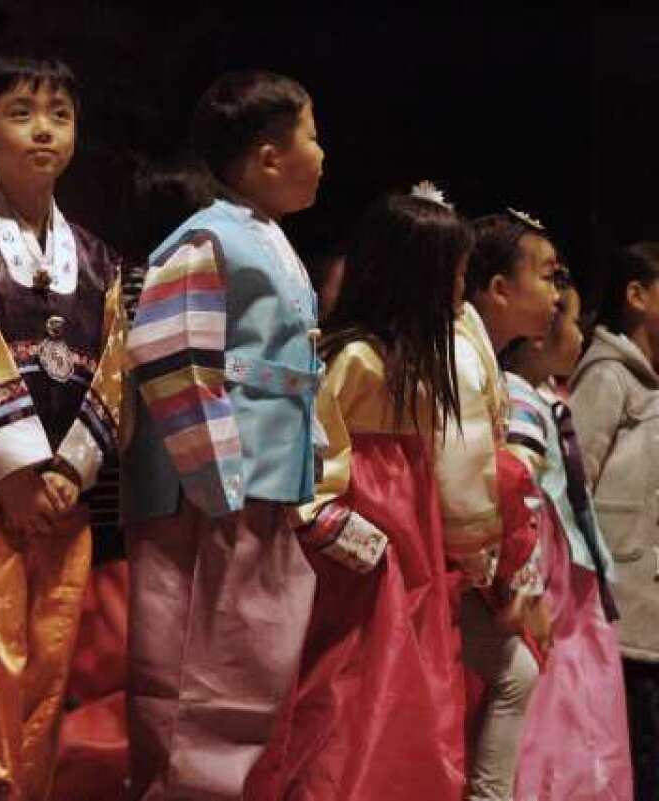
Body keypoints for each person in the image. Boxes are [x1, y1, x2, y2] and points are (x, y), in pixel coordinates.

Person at [0, 56, 126, 801]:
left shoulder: (101, 262)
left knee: (46, 675)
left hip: (63, 508)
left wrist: (71, 470)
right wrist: (15, 470)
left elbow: (112, 373)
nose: (43, 129)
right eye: (21, 112)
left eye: (59, 115)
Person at [123, 69, 323, 801]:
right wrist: (218, 482)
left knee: (246, 671)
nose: (323, 153)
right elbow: (172, 356)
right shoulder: (207, 238)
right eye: (312, 135)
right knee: (189, 679)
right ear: (269, 156)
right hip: (207, 496)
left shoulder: (265, 239)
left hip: (260, 489)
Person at [246, 185, 471, 801]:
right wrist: (328, 519)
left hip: (411, 546)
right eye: (452, 276)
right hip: (364, 553)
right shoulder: (356, 362)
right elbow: (316, 457)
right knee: (353, 687)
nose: (459, 291)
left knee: (410, 684)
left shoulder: (414, 364)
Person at [500, 280, 632, 800]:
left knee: (585, 713)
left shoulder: (548, 398)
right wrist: (528, 584)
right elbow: (521, 496)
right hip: (553, 577)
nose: (581, 334)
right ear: (537, 338)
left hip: (575, 576)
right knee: (556, 718)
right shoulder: (519, 404)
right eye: (573, 322)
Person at [456, 209, 562, 801]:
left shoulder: (480, 355)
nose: (556, 292)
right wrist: (507, 587)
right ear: (499, 289)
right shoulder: (465, 354)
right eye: (546, 275)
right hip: (444, 555)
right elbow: (477, 483)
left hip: (473, 557)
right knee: (512, 673)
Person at [569, 242, 659, 800]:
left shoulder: (647, 385)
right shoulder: (608, 378)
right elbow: (572, 487)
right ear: (636, 296)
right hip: (625, 619)